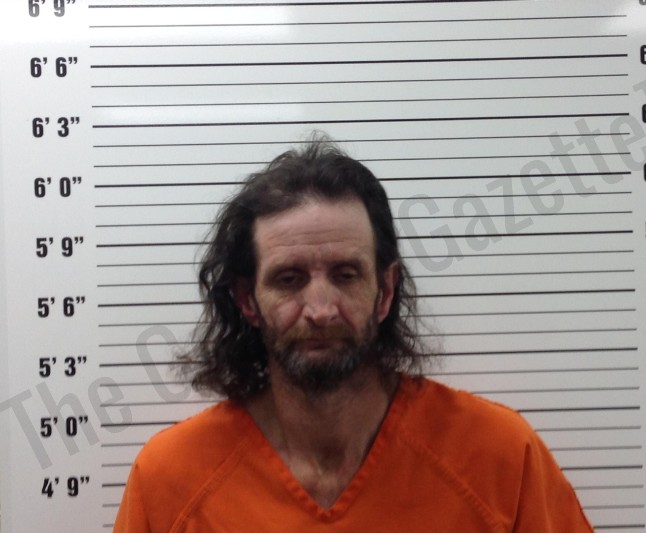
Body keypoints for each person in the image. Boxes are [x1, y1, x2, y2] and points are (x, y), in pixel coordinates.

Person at [113, 134, 594, 532]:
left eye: (345, 275)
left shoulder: (500, 458)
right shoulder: (170, 479)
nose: (320, 310)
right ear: (247, 300)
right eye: (289, 279)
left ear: (385, 292)